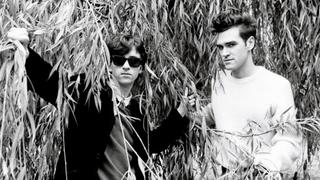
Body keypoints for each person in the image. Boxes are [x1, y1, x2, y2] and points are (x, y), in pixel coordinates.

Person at [7, 28, 194, 180]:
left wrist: (180, 113)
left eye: (134, 61)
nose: (126, 66)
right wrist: (25, 53)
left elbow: (150, 144)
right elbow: (50, 83)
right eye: (119, 60)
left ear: (141, 68)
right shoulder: (86, 92)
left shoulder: (137, 110)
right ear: (110, 65)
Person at [192, 11, 303, 178]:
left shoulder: (277, 85)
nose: (224, 53)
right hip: (226, 174)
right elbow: (218, 113)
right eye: (220, 47)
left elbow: (290, 140)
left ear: (250, 43)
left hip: (263, 174)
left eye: (231, 45)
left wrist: (268, 166)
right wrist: (184, 111)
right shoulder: (219, 80)